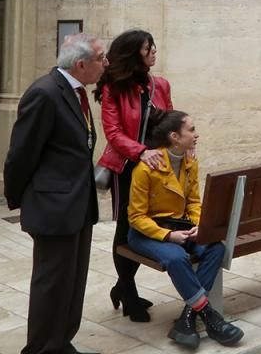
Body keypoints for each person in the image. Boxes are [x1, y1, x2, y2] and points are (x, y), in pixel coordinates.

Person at [4, 33, 108, 354]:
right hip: (53, 208)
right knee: (52, 285)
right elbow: (21, 155)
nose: (106, 64)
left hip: (77, 205)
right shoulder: (45, 94)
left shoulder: (78, 92)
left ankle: (61, 341)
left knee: (73, 282)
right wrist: (25, 200)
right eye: (101, 58)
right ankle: (40, 348)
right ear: (81, 64)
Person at [126, 110, 243, 348]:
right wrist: (168, 235)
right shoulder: (146, 168)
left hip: (181, 228)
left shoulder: (190, 161)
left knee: (215, 249)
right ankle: (210, 317)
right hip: (146, 233)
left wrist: (200, 226)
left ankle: (187, 319)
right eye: (191, 130)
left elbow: (193, 202)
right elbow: (136, 217)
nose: (196, 134)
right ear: (174, 137)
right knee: (177, 257)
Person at [94, 29, 174, 322]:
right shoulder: (113, 88)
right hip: (127, 168)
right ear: (132, 54)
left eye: (153, 46)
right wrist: (140, 152)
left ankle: (121, 286)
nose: (153, 51)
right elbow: (113, 133)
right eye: (146, 48)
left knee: (145, 226)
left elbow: (170, 125)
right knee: (128, 228)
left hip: (155, 169)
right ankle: (128, 292)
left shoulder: (160, 85)